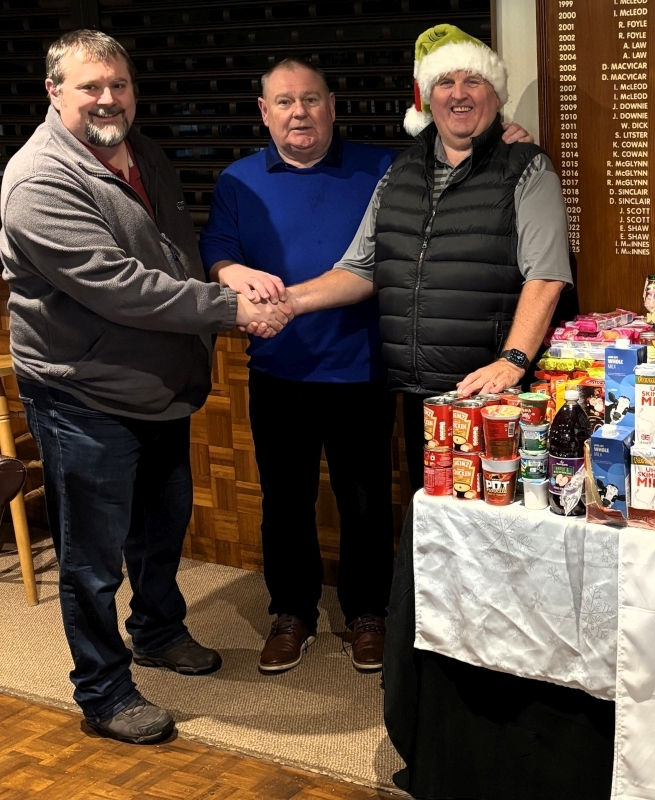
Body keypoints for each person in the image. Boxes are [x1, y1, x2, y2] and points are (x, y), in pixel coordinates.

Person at [0, 30, 289, 745]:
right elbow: (117, 287)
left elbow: (176, 250)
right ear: (54, 92)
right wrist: (230, 310)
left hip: (157, 385)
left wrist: (223, 277)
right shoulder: (38, 179)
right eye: (90, 86)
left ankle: (158, 630)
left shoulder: (142, 152)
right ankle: (102, 692)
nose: (108, 98)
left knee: (160, 528)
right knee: (91, 561)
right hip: (82, 395)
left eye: (119, 85)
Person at [199, 58, 535, 674]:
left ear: (332, 105)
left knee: (365, 503)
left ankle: (368, 614)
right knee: (286, 500)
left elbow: (454, 150)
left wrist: (504, 133)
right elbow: (218, 249)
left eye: (310, 99)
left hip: (364, 370)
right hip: (278, 369)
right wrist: (231, 274)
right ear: (264, 112)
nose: (298, 113)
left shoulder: (385, 167)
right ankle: (291, 611)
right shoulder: (237, 181)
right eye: (284, 102)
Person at [273, 25, 574, 486]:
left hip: (491, 393)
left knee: (491, 525)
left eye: (473, 81)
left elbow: (547, 276)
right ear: (427, 98)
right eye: (445, 83)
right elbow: (361, 267)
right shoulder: (398, 173)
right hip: (420, 397)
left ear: (495, 94)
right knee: (434, 524)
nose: (459, 95)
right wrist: (289, 301)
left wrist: (512, 361)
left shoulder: (528, 167)